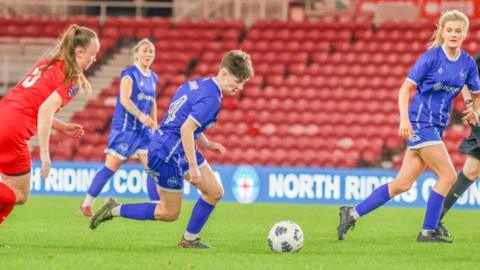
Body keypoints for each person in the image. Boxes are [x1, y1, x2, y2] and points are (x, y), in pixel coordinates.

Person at [336, 10, 480, 243]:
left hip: (436, 127)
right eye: (449, 30)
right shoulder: (431, 58)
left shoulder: (467, 63)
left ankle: (351, 213)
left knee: (402, 184)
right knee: (448, 176)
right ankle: (427, 231)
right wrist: (404, 119)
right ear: (442, 32)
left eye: (458, 30)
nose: (453, 34)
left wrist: (474, 111)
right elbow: (405, 89)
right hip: (421, 124)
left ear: (464, 34)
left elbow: (475, 94)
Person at [89, 50, 254, 249]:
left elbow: (186, 122)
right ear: (224, 73)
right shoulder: (213, 98)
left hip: (177, 146)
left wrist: (207, 144)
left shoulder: (198, 84)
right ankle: (113, 209)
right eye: (238, 81)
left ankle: (189, 240)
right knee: (168, 213)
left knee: (215, 192)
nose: (240, 86)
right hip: (166, 152)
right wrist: (193, 168)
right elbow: (186, 129)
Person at [0, 25, 99, 227]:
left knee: (15, 191)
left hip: (4, 114)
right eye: (93, 54)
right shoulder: (71, 79)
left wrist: (61, 126)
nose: (94, 59)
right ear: (79, 52)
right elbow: (45, 110)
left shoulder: (47, 64)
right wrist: (45, 154)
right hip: (12, 132)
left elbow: (32, 104)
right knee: (18, 193)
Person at [80, 39, 160, 217]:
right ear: (136, 54)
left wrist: (154, 122)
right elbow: (124, 99)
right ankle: (87, 204)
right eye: (145, 51)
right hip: (125, 128)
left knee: (152, 166)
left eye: (151, 52)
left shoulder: (153, 77)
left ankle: (156, 204)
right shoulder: (129, 74)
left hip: (144, 131)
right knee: (111, 167)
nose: (148, 54)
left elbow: (152, 101)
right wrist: (140, 115)